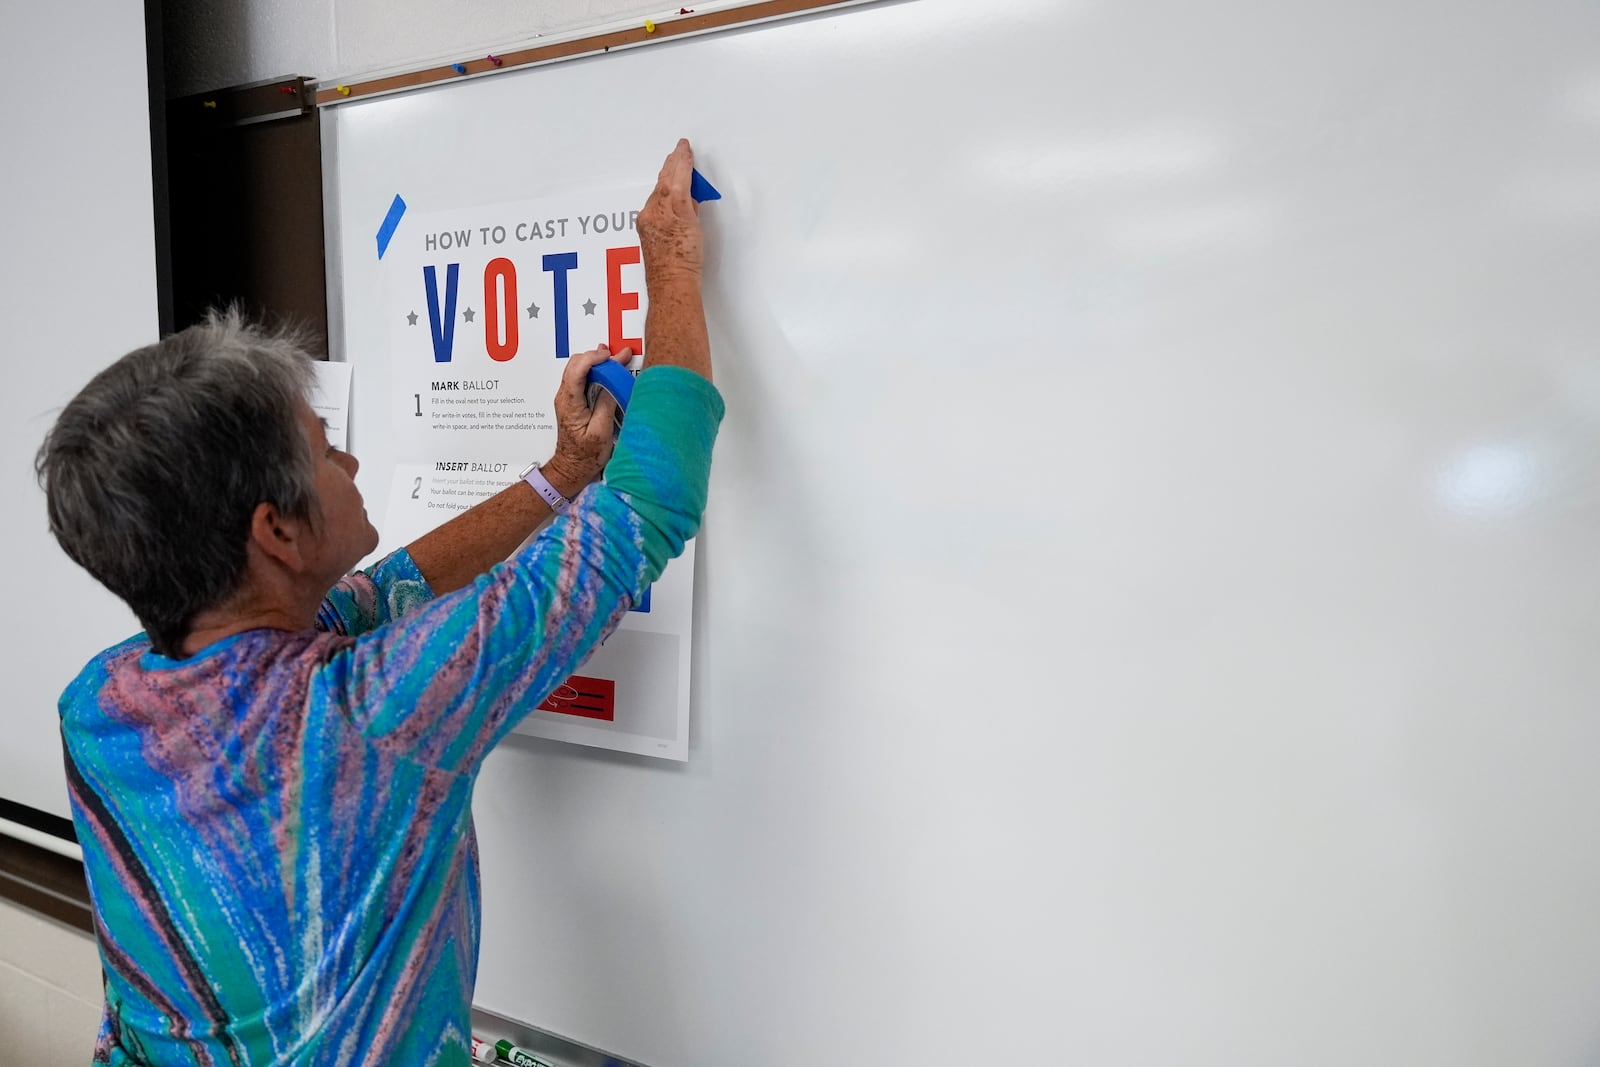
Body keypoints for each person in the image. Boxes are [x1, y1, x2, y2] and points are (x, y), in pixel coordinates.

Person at [35, 140, 721, 1066]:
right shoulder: (373, 711)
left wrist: (561, 472)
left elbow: (377, 594)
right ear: (276, 531)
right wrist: (671, 260)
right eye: (327, 449)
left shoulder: (102, 703)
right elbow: (650, 504)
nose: (354, 462)